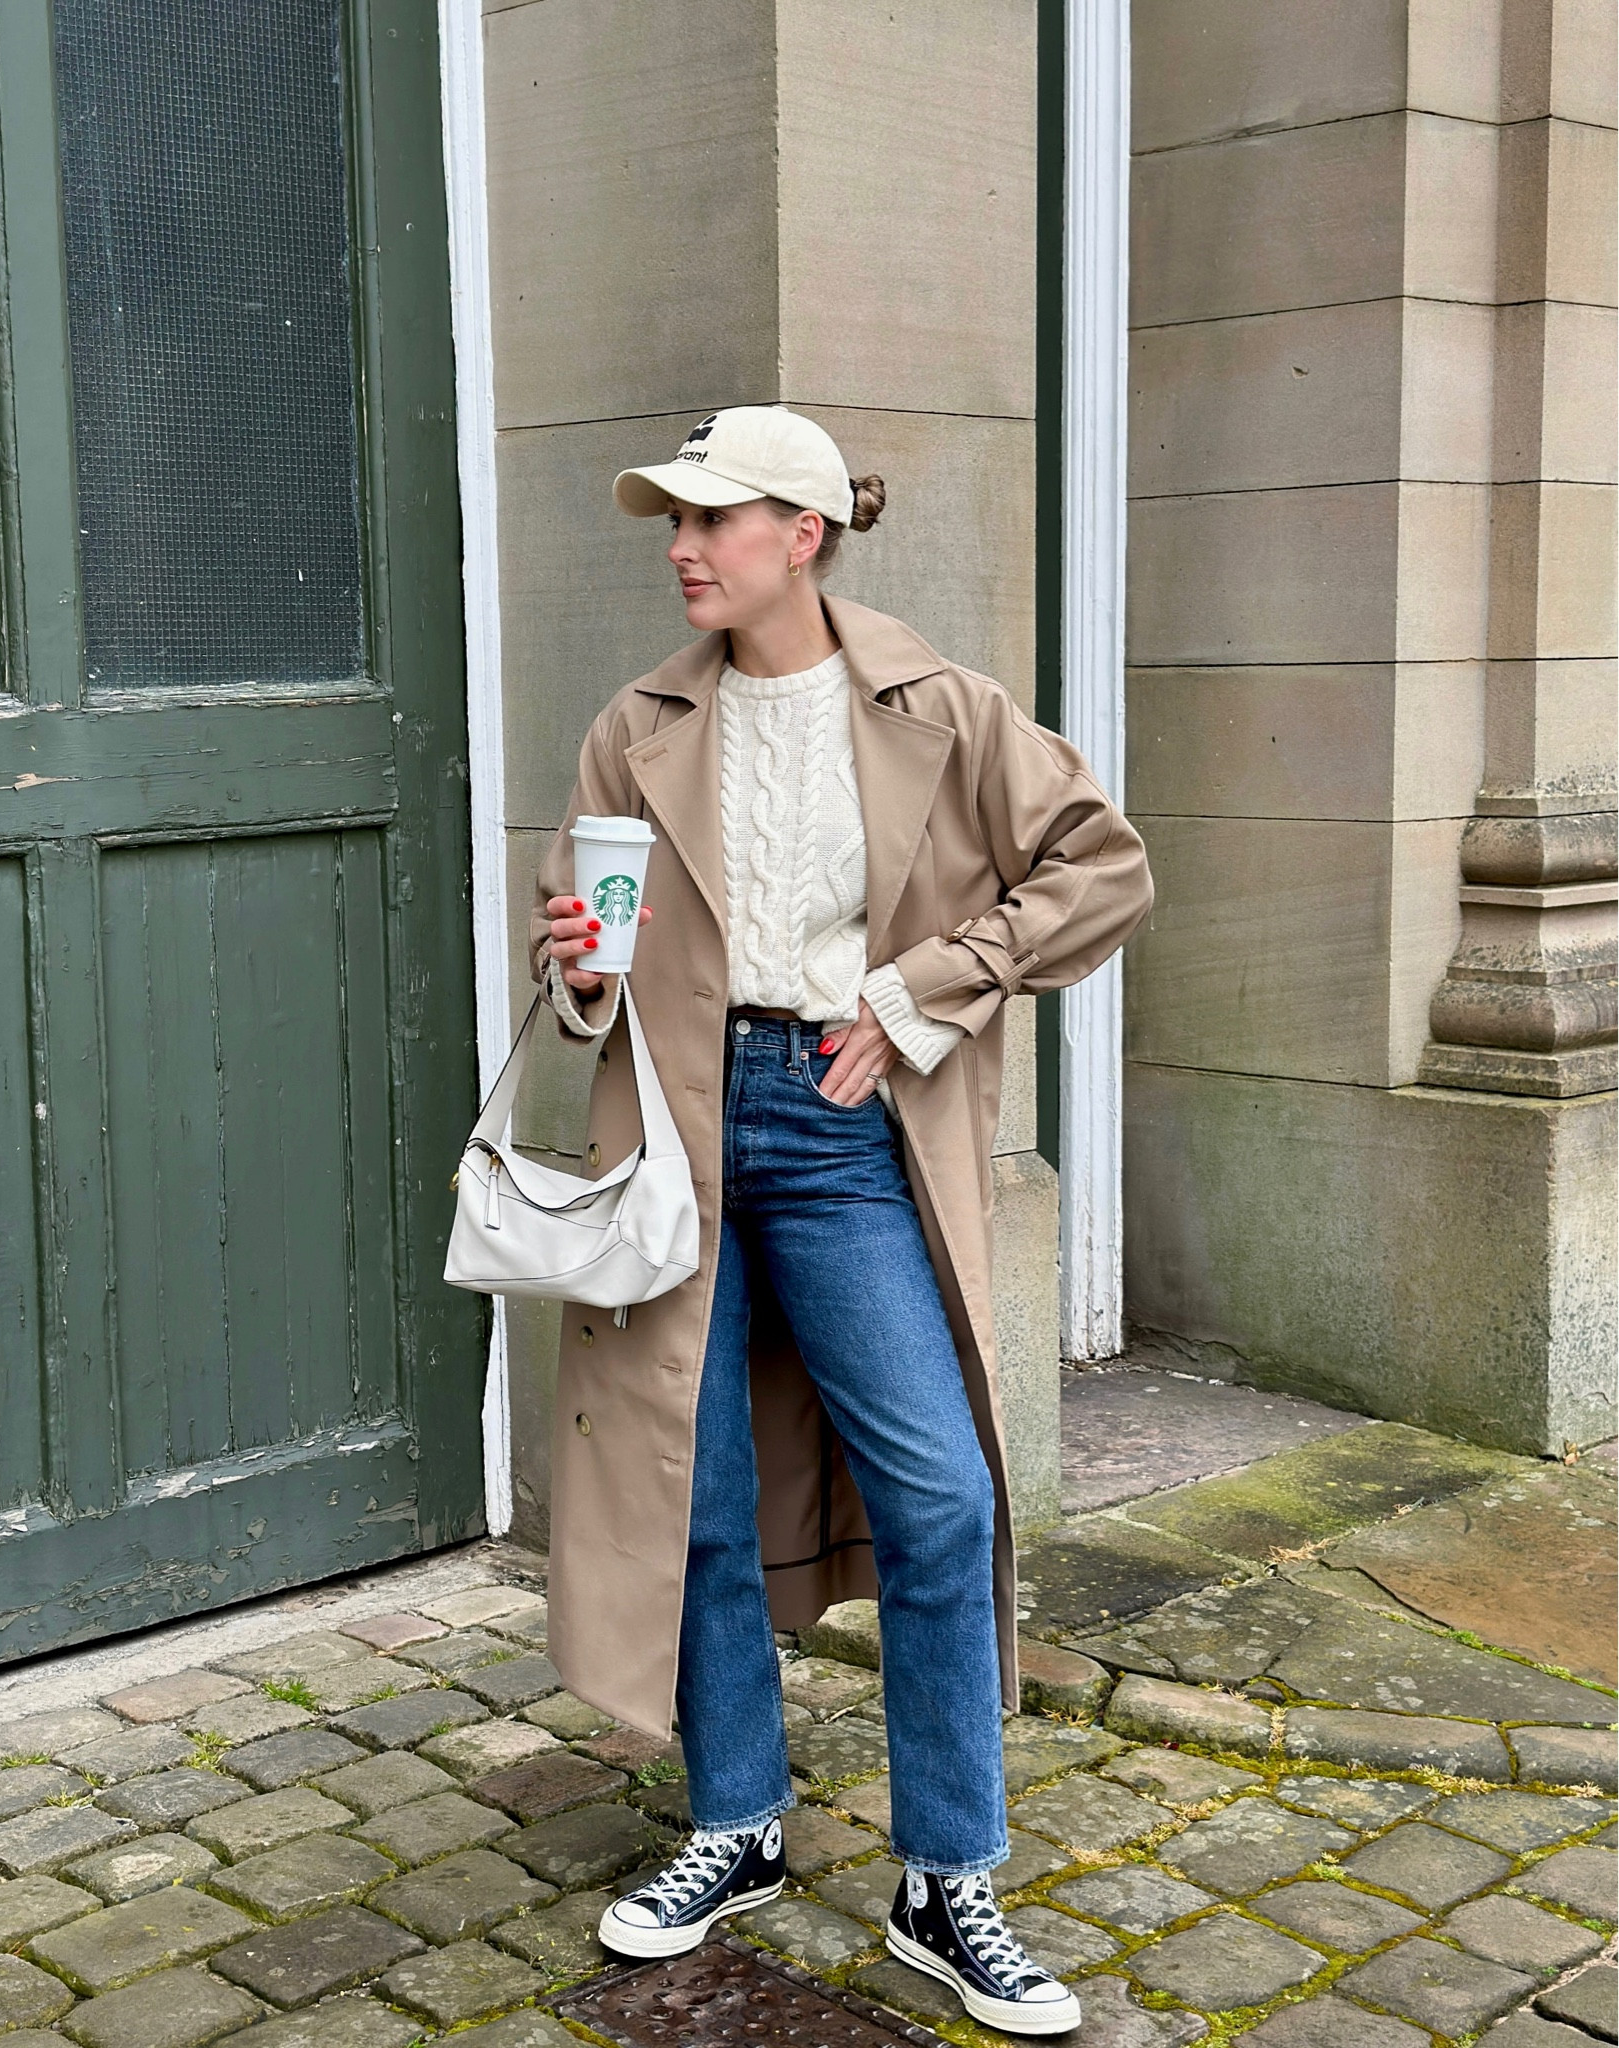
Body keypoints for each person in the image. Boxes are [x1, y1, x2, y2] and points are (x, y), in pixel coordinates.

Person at [528, 406, 1153, 2035]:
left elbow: (1103, 869)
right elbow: (586, 964)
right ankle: (736, 1823)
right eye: (673, 519)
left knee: (942, 1500)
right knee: (703, 1501)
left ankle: (952, 1878)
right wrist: (579, 973)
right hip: (677, 1137)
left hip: (840, 1122)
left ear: (802, 532)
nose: (682, 545)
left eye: (714, 519)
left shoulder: (940, 707)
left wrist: (928, 988)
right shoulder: (638, 722)